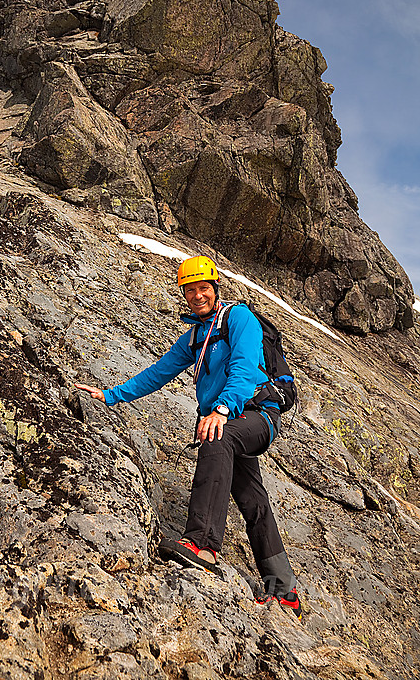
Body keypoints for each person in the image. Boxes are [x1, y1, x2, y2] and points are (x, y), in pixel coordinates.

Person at [75, 255, 301, 618]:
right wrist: (110, 395)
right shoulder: (194, 337)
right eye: (190, 290)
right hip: (230, 420)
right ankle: (285, 589)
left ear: (215, 289)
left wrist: (222, 409)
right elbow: (157, 373)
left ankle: (202, 544)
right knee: (252, 500)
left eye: (203, 288)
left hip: (258, 415)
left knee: (217, 437)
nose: (197, 296)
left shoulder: (239, 317)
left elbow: (244, 368)